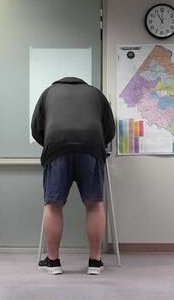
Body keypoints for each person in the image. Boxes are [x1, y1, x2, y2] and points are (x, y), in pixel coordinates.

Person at [31, 77, 115, 275]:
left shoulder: (48, 94)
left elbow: (36, 130)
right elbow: (109, 131)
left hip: (57, 146)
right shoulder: (96, 94)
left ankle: (53, 262)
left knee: (53, 204)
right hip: (91, 147)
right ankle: (95, 262)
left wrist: (53, 142)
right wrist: (94, 143)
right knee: (94, 203)